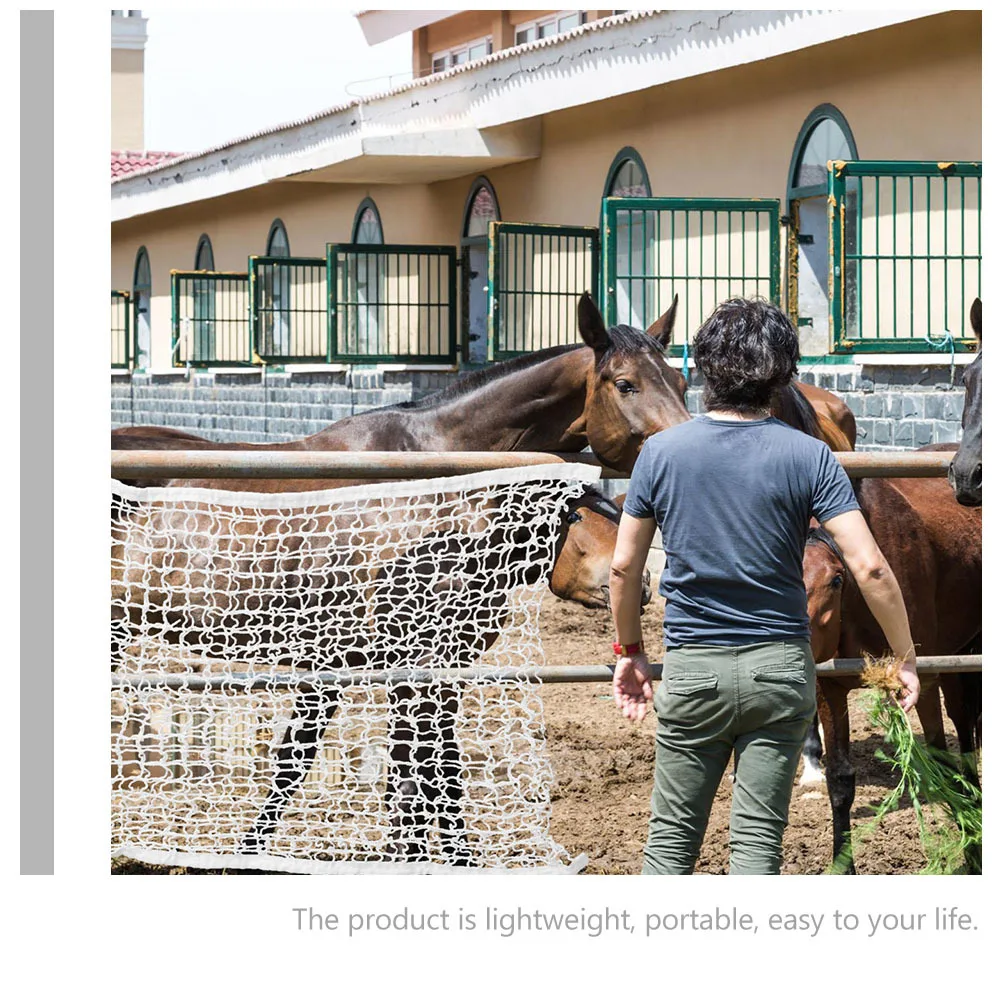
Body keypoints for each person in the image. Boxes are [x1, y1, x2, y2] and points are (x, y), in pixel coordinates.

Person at [608, 297, 918, 875]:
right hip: (779, 669)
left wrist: (630, 652)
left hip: (694, 666)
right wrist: (903, 655)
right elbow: (871, 567)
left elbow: (625, 568)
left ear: (702, 367)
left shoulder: (660, 453)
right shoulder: (811, 456)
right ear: (783, 374)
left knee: (670, 845)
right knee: (757, 849)